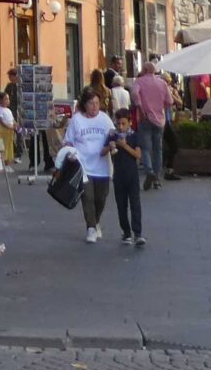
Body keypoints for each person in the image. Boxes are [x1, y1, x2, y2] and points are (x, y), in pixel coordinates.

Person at [57, 89, 115, 244]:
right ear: (84, 104)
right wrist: (69, 153)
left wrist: (112, 144)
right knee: (87, 197)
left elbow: (113, 135)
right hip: (83, 166)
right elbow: (68, 141)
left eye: (97, 103)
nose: (95, 106)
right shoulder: (76, 120)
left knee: (100, 198)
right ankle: (90, 228)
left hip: (102, 167)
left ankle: (96, 222)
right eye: (91, 103)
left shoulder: (105, 119)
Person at [107, 107, 147, 248]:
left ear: (130, 122)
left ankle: (138, 233)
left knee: (135, 204)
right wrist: (110, 146)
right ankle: (126, 232)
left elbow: (138, 155)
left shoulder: (133, 136)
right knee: (121, 206)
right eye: (118, 123)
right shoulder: (113, 136)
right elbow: (104, 151)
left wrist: (124, 146)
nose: (121, 127)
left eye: (124, 123)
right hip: (118, 176)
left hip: (132, 175)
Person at [129, 60, 172, 189]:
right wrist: (161, 107)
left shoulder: (140, 81)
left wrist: (140, 107)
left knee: (145, 148)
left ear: (145, 70)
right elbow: (169, 101)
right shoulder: (162, 83)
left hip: (145, 118)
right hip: (160, 120)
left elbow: (134, 93)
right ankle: (157, 177)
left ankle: (149, 171)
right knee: (158, 149)